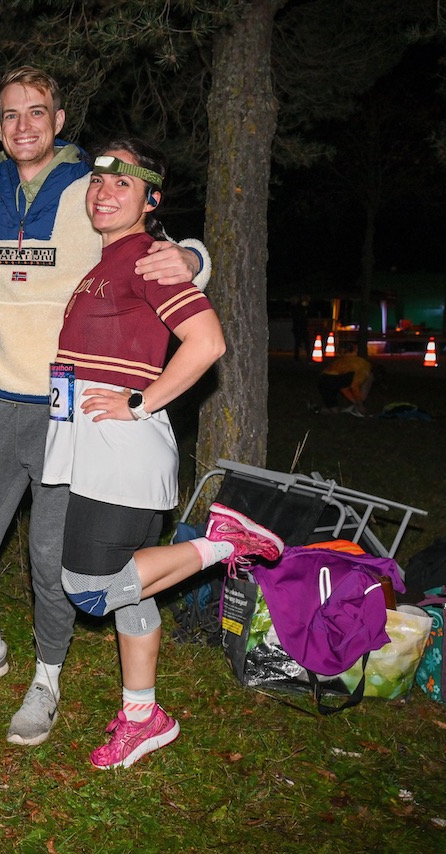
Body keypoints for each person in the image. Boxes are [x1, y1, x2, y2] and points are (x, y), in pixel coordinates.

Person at [0, 67, 211, 748]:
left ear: (58, 121)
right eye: (10, 115)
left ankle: (46, 680)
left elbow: (158, 246)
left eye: (38, 112)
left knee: (52, 563)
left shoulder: (95, 190)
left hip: (68, 419)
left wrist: (194, 258)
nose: (24, 125)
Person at [43, 138, 283, 768]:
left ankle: (226, 542)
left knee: (91, 588)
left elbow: (206, 344)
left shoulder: (148, 258)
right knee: (133, 593)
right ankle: (142, 717)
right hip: (91, 447)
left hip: (122, 449)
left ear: (151, 200)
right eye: (98, 181)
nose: (104, 191)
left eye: (123, 182)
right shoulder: (108, 259)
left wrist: (141, 403)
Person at [318, 344, 373, 416]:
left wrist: (356, 402)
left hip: (325, 378)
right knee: (334, 411)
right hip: (331, 378)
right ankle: (359, 405)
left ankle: (316, 409)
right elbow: (354, 387)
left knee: (335, 411)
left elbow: (344, 388)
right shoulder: (364, 370)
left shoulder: (353, 365)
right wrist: (360, 405)